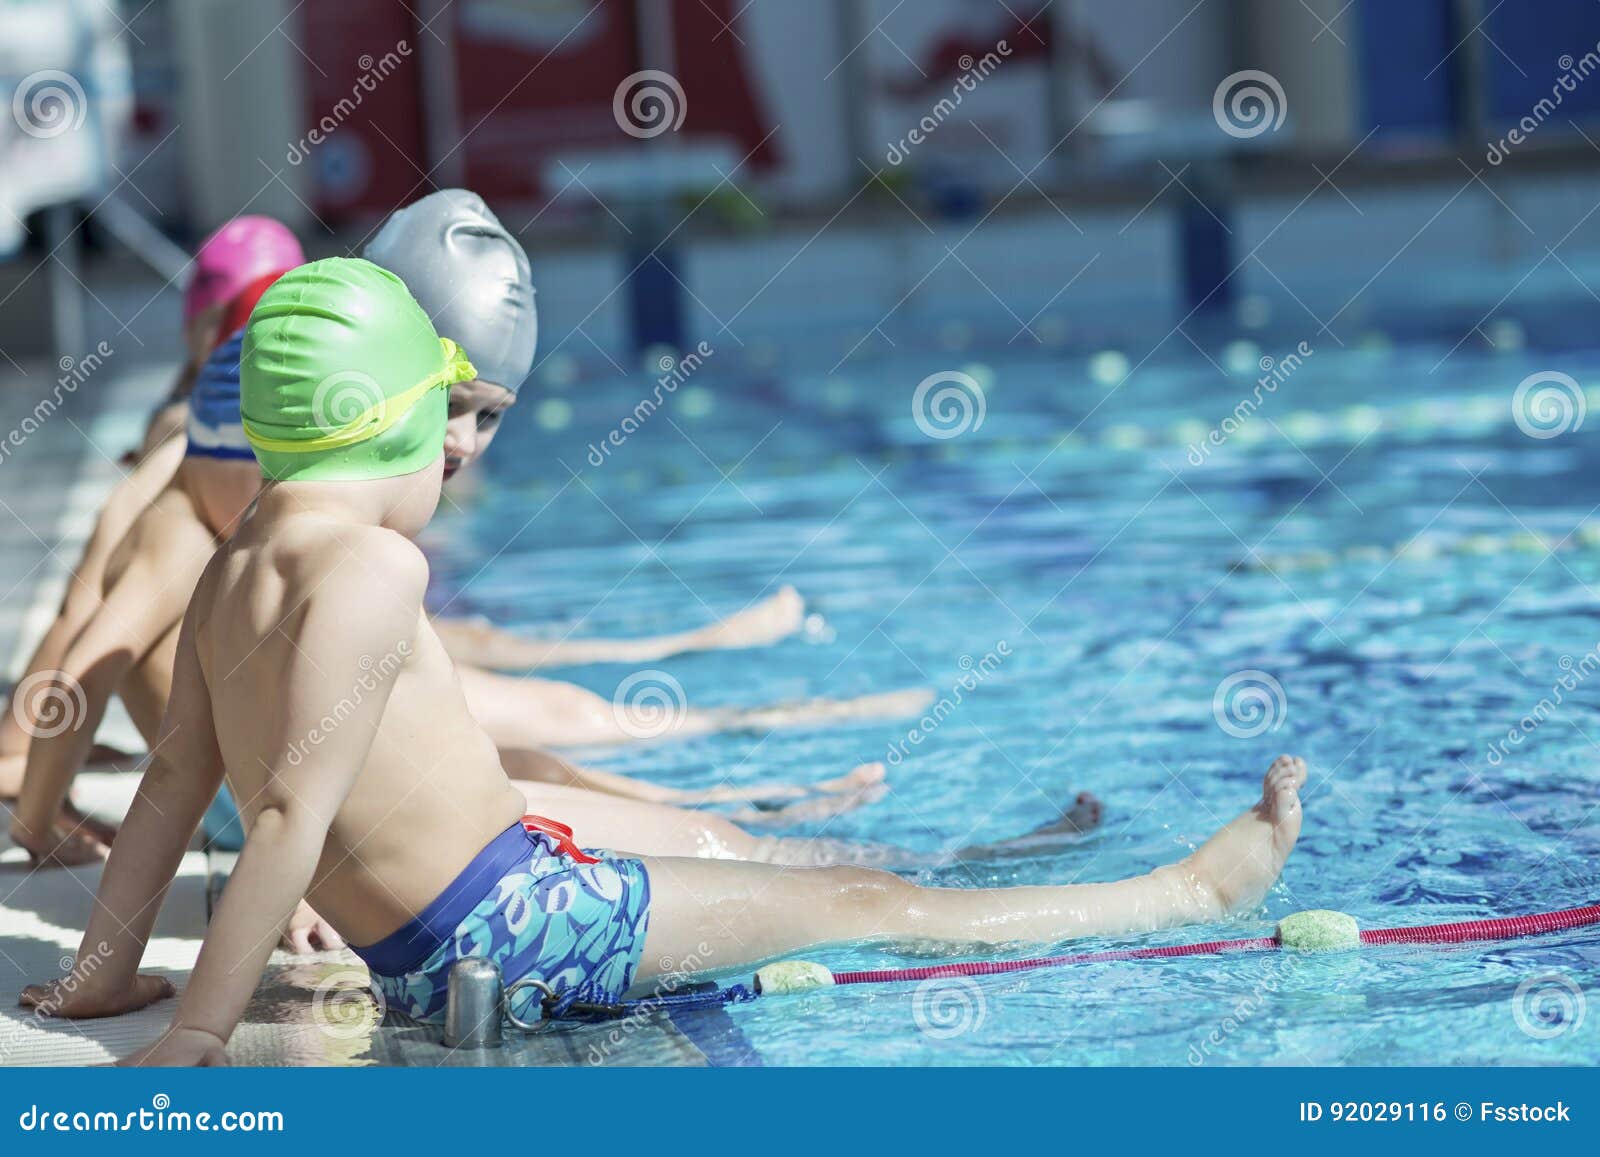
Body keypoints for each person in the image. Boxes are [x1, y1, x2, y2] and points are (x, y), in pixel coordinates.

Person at [19, 260, 1308, 1064]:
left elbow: (178, 780)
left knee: (756, 881)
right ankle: (1184, 895)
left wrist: (100, 973)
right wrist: (197, 1025)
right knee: (873, 901)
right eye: (439, 430)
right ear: (383, 427)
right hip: (511, 924)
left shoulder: (233, 566)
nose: (450, 464)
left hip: (459, 930)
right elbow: (290, 810)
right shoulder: (373, 566)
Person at [6, 281, 885, 871]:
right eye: (286, 468)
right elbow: (86, 656)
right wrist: (43, 824)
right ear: (230, 457)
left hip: (281, 791)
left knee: (523, 737)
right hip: (270, 806)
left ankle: (739, 797)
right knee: (532, 754)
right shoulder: (177, 534)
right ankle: (748, 816)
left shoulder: (210, 516)